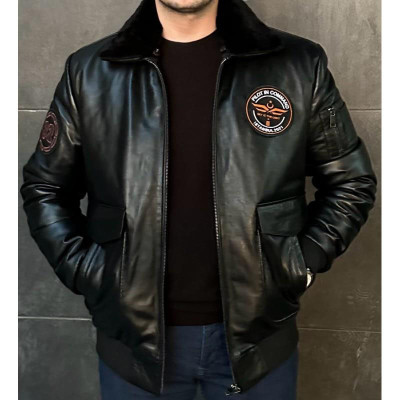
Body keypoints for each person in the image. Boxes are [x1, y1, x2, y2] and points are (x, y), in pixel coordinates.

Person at [19, 0, 377, 399]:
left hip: (260, 343)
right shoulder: (90, 71)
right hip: (133, 349)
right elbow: (45, 187)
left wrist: (300, 264)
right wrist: (91, 274)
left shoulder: (297, 64)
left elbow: (351, 181)